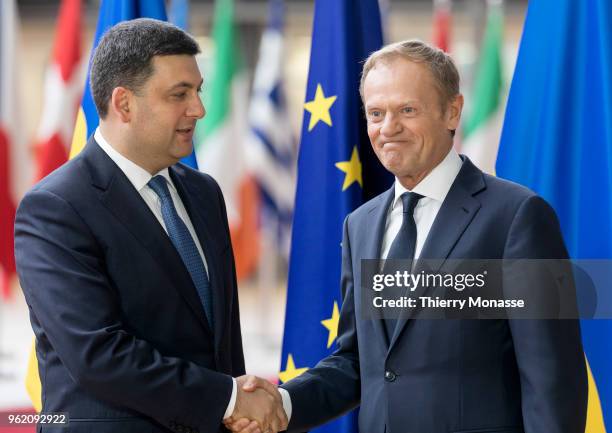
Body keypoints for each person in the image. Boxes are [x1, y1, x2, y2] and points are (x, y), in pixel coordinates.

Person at [228, 39, 588, 433]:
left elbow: (552, 378)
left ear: (452, 111)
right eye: (376, 113)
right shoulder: (361, 224)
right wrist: (282, 402)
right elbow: (358, 360)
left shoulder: (517, 217)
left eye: (407, 110)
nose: (388, 128)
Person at [14, 18, 286, 433]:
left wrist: (236, 407)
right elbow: (98, 355)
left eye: (197, 91)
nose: (199, 109)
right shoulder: (56, 207)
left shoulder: (204, 193)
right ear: (124, 104)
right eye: (180, 94)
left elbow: (220, 339)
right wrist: (228, 398)